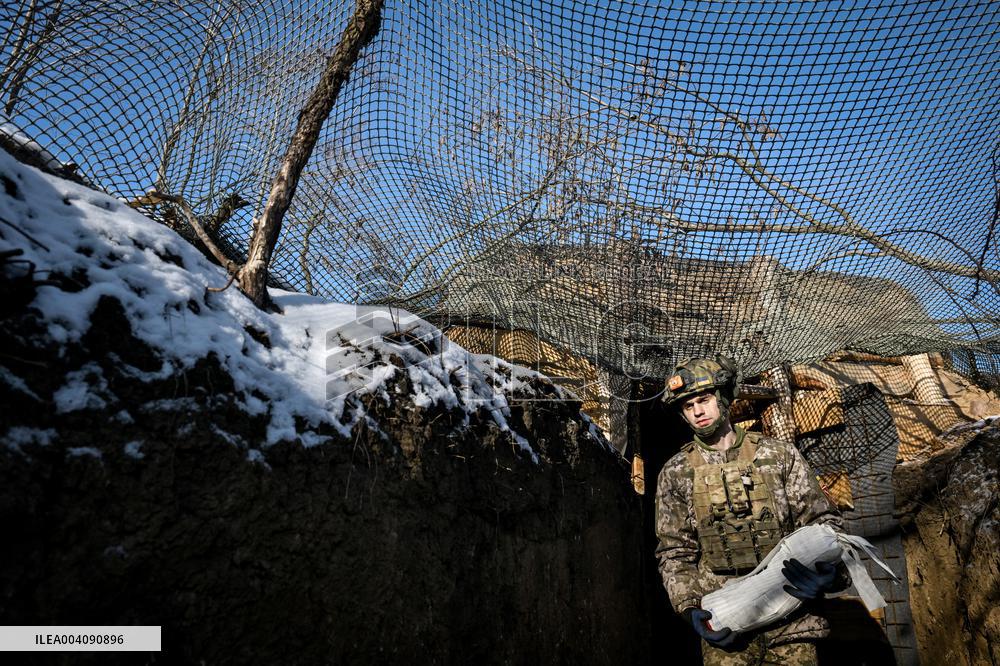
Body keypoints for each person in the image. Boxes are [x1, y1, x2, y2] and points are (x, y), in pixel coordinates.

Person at [654, 356, 846, 665]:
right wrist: (690, 608)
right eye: (688, 406)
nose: (698, 411)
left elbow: (825, 525)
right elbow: (675, 552)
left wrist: (830, 574)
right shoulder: (676, 472)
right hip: (727, 625)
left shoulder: (779, 455)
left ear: (723, 399)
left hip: (792, 621)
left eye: (704, 400)